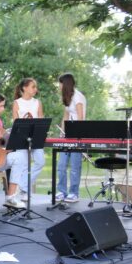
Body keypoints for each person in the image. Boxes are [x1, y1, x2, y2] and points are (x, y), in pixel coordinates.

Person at [11, 78, 46, 196]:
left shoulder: (37, 103)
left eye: (36, 87)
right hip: (22, 137)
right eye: (33, 87)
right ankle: (24, 191)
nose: (35, 89)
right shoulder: (17, 103)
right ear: (24, 88)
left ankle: (22, 186)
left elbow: (41, 120)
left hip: (36, 137)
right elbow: (16, 123)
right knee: (24, 165)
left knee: (40, 162)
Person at [56, 73, 86, 203]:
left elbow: (81, 119)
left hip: (77, 136)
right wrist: (62, 132)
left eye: (60, 83)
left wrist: (76, 135)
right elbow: (65, 117)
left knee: (74, 166)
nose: (59, 86)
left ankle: (74, 193)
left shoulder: (78, 97)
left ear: (65, 84)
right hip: (67, 136)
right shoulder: (67, 97)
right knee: (61, 165)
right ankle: (62, 191)